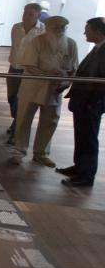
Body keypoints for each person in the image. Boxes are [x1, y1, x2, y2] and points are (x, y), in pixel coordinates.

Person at [9, 16, 78, 167]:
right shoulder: (36, 42)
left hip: (55, 89)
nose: (60, 31)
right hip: (33, 86)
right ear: (47, 28)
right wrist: (49, 76)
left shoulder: (71, 44)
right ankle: (18, 151)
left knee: (50, 120)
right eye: (56, 28)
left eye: (63, 28)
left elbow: (73, 68)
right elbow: (29, 66)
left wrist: (65, 82)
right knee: (24, 119)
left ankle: (41, 153)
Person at [57, 17, 105, 187]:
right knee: (81, 135)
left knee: (88, 138)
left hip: (92, 102)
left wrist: (95, 102)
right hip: (84, 101)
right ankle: (80, 166)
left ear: (98, 32)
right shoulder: (98, 49)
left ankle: (86, 175)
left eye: (88, 29)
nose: (85, 32)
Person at [6, 3, 44, 143]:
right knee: (11, 97)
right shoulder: (16, 28)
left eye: (30, 14)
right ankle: (16, 120)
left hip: (28, 70)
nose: (25, 16)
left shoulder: (42, 31)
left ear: (38, 15)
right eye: (24, 12)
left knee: (22, 100)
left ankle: (17, 131)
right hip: (14, 67)